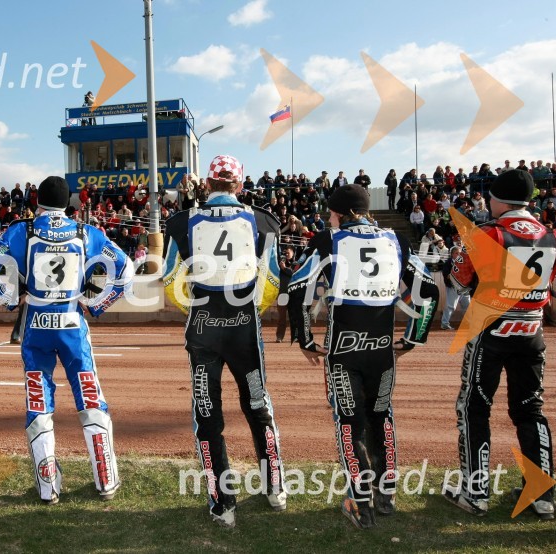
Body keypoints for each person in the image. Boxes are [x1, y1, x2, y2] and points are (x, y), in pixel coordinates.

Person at [0, 176, 132, 504]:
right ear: (68, 201)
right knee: (89, 396)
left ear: (38, 202)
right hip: (73, 323)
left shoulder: (21, 230)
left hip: (36, 324)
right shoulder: (86, 232)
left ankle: (48, 488)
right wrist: (98, 303)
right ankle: (106, 479)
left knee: (38, 401)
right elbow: (126, 272)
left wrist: (9, 297)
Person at [287, 184, 438, 529]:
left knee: (348, 422)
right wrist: (414, 338)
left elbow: (296, 289)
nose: (329, 217)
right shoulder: (396, 240)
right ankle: (386, 496)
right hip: (383, 352)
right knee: (381, 416)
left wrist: (306, 339)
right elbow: (427, 289)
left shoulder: (329, 239)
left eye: (330, 212)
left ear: (339, 212)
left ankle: (360, 503)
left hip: (344, 351)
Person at [163, 154, 286, 529]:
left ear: (208, 184)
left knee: (207, 416)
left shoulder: (182, 221)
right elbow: (274, 281)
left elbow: (171, 283)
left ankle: (222, 503)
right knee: (258, 405)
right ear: (240, 183)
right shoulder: (265, 220)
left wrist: (196, 309)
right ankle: (275, 487)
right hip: (244, 329)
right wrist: (251, 307)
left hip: (203, 331)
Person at [445, 170, 556, 519]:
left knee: (474, 409)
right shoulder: (552, 236)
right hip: (532, 333)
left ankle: (475, 492)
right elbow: (545, 285)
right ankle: (541, 494)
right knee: (530, 410)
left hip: (491, 330)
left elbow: (460, 281)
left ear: (499, 199)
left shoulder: (489, 232)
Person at [440, 245, 470, 330]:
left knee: (467, 306)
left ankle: (469, 324)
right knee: (451, 306)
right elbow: (446, 275)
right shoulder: (448, 263)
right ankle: (444, 324)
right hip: (453, 287)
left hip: (464, 288)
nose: (459, 255)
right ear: (452, 254)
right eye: (456, 253)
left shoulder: (464, 262)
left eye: (460, 253)